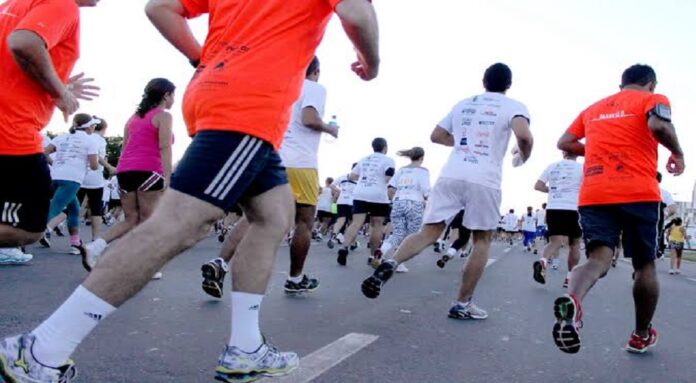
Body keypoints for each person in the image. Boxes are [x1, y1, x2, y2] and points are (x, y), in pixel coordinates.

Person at [0, 1, 381, 382]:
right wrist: (370, 63)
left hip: (216, 93)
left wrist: (203, 57)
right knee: (179, 224)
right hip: (249, 106)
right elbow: (357, 13)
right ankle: (40, 349)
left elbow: (160, 8)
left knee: (274, 214)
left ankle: (245, 348)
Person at [360, 63, 533, 321]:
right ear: (508, 84)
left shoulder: (463, 103)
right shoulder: (514, 106)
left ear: (483, 80)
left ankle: (391, 263)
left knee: (429, 232)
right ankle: (462, 303)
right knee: (481, 241)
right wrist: (524, 156)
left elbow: (436, 135)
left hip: (451, 173)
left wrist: (462, 143)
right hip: (484, 179)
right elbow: (525, 136)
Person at [553, 64, 685, 355]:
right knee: (644, 266)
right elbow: (659, 126)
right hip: (638, 191)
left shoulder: (594, 108)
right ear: (650, 83)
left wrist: (601, 150)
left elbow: (564, 142)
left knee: (598, 258)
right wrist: (677, 152)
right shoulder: (654, 99)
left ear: (621, 84)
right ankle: (640, 335)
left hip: (595, 191)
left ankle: (573, 300)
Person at [0, 0, 99, 264]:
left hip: (10, 125)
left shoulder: (17, 4)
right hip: (12, 133)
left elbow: (10, 65)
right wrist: (60, 92)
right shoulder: (63, 4)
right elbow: (23, 42)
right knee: (30, 227)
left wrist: (56, 84)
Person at [81, 78, 175, 275]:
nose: (173, 99)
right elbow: (164, 146)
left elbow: (125, 146)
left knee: (131, 219)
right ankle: (145, 265)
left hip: (125, 171)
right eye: (173, 95)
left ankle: (95, 247)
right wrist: (167, 176)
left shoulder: (133, 118)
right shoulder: (164, 116)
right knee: (149, 221)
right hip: (148, 169)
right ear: (166, 95)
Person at [41, 115, 101, 253]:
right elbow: (93, 166)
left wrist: (54, 164)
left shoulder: (62, 137)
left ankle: (75, 242)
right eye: (93, 126)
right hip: (72, 178)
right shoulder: (90, 141)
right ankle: (21, 240)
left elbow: (44, 152)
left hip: (56, 176)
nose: (94, 128)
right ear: (88, 127)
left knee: (74, 209)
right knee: (54, 209)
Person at [336, 137, 396, 266]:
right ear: (385, 148)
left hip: (360, 193)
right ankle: (372, 256)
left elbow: (352, 176)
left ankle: (344, 247)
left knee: (356, 223)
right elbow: (389, 176)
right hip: (379, 195)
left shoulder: (364, 159)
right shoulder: (388, 160)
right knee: (377, 225)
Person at [532, 151, 583, 288]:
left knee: (555, 242)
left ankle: (543, 262)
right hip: (574, 208)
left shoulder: (552, 166)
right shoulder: (582, 168)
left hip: (554, 207)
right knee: (574, 244)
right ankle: (569, 278)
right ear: (577, 153)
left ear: (563, 152)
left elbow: (538, 186)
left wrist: (554, 190)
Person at [379, 147, 430, 273]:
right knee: (410, 236)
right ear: (422, 158)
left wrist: (393, 200)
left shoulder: (401, 170)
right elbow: (426, 190)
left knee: (397, 233)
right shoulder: (423, 171)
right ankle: (399, 263)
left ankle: (381, 251)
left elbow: (390, 188)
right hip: (415, 203)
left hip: (398, 202)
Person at [77, 118, 116, 242]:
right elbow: (98, 157)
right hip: (94, 176)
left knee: (73, 206)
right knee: (96, 208)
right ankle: (95, 239)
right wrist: (109, 167)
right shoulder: (99, 140)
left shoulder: (83, 138)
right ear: (103, 129)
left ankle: (51, 227)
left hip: (79, 175)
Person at [327, 165, 358, 248]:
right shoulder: (361, 179)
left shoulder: (343, 177)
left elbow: (332, 185)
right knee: (354, 223)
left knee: (341, 220)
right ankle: (352, 242)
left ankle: (334, 235)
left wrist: (340, 191)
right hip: (353, 203)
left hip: (341, 201)